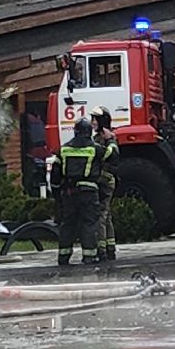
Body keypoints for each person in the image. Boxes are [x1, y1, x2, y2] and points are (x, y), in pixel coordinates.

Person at [49, 119, 107, 266]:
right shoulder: (96, 149)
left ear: (75, 131)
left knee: (68, 224)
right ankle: (89, 257)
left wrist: (57, 194)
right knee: (89, 223)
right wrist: (111, 140)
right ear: (89, 132)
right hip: (89, 193)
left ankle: (63, 257)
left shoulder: (63, 149)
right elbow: (113, 156)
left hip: (69, 193)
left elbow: (55, 175)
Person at [88, 107, 121, 261]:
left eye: (95, 119)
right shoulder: (97, 138)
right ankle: (110, 248)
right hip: (102, 181)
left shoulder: (109, 139)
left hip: (105, 182)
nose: (93, 122)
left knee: (101, 216)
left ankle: (101, 250)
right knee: (106, 217)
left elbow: (110, 156)